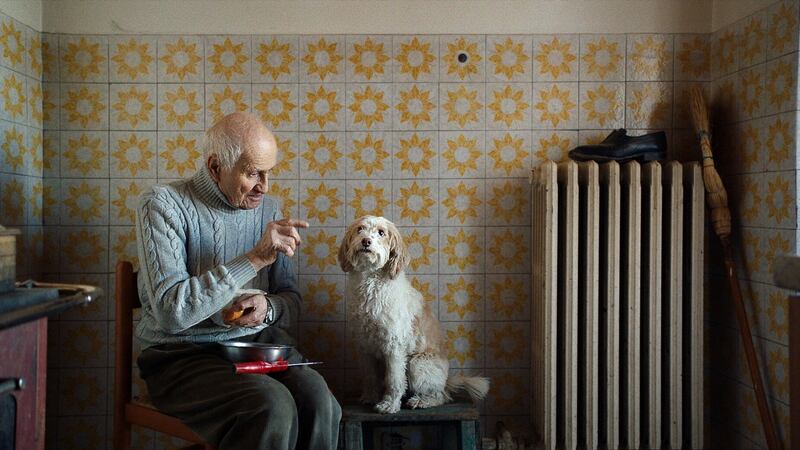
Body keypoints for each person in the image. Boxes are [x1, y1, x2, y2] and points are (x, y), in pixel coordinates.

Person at [133, 111, 341, 449]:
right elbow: (172, 313)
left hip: (255, 344)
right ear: (216, 167)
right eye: (253, 173)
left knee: (319, 400)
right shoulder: (162, 205)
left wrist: (268, 307)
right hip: (179, 357)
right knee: (271, 406)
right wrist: (254, 259)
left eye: (269, 173)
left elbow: (291, 299)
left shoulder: (268, 209)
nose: (264, 186)